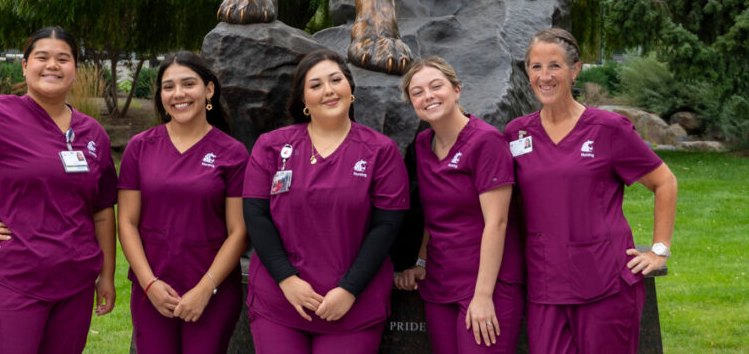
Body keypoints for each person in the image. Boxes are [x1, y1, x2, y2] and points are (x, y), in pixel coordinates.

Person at [0, 26, 118, 354]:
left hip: (75, 286)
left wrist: (107, 275)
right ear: (25, 65)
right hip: (11, 283)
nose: (52, 65)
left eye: (63, 58)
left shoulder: (93, 133)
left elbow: (101, 210)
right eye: (42, 57)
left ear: (76, 69)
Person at [503, 28, 678, 354]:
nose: (545, 76)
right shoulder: (516, 134)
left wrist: (659, 250)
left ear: (575, 70)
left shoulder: (608, 129)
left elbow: (664, 182)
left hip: (606, 283)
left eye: (554, 66)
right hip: (546, 287)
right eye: (536, 67)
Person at [242, 49, 409, 353]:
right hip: (280, 299)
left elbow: (386, 226)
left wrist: (349, 289)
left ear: (350, 89)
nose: (328, 90)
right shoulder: (271, 147)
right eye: (315, 85)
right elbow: (256, 216)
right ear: (303, 100)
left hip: (353, 303)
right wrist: (287, 280)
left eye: (336, 80)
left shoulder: (380, 151)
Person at [117, 51, 249, 353]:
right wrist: (148, 284)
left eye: (188, 84)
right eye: (168, 87)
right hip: (152, 289)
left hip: (212, 291)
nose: (178, 94)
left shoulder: (233, 153)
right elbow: (126, 222)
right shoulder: (140, 148)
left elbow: (239, 231)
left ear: (209, 90)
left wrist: (205, 289)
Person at [395, 57, 525, 353]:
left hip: (488, 285)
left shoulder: (486, 142)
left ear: (456, 90)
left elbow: (498, 222)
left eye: (436, 86)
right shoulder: (423, 144)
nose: (428, 96)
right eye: (417, 92)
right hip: (441, 282)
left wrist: (482, 296)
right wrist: (421, 263)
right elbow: (435, 215)